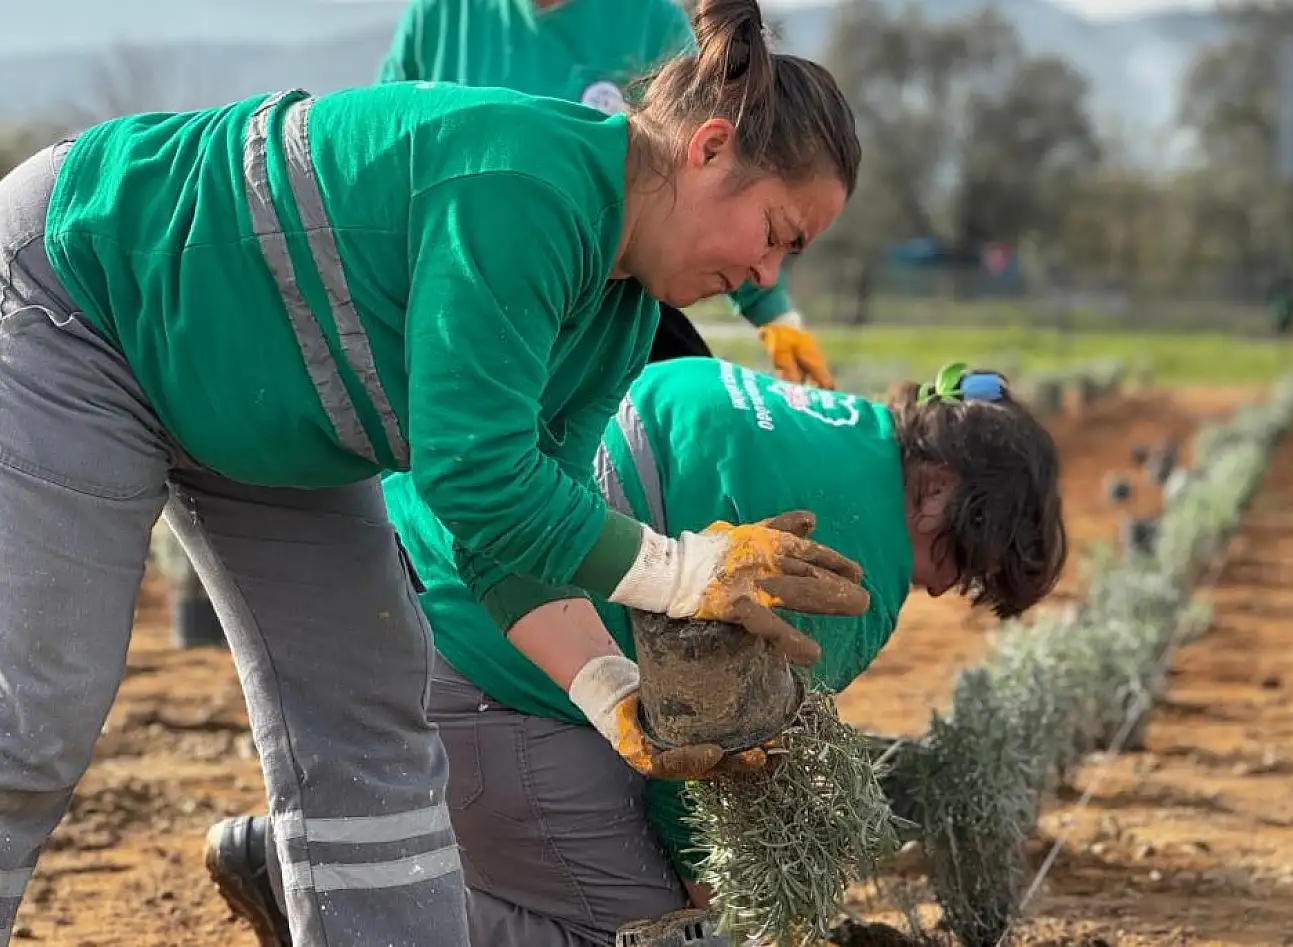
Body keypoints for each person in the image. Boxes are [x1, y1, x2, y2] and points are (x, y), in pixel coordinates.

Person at [0, 1, 864, 944]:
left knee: (369, 727)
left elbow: (505, 530)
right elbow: (476, 477)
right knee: (36, 716)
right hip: (91, 290)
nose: (760, 275)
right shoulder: (528, 183)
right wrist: (684, 570)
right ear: (706, 150)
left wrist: (611, 691)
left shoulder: (616, 320)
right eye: (775, 232)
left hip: (262, 399)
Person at [203, 357, 1069, 947]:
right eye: (966, 564)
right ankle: (332, 892)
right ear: (943, 492)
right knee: (642, 933)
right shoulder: (860, 558)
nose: (942, 590)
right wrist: (710, 897)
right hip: (466, 646)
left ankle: (346, 859)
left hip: (385, 559)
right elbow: (714, 752)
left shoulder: (823, 419)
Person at [378, 0, 836, 387]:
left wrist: (775, 318)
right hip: (462, 287)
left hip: (597, 299)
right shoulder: (441, 15)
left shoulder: (646, 20)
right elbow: (387, 142)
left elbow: (721, 180)